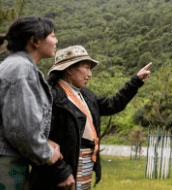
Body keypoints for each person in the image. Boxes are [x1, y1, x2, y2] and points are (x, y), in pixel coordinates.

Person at [29, 45, 151, 190]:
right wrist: (61, 172)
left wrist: (135, 82)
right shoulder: (52, 99)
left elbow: (112, 104)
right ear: (69, 69)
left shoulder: (86, 95)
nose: (90, 74)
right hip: (59, 177)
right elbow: (39, 142)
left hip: (83, 172)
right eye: (86, 68)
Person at [0, 16, 63, 189]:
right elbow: (21, 129)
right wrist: (48, 153)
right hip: (6, 167)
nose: (56, 40)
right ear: (34, 41)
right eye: (52, 35)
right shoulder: (22, 69)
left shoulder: (16, 65)